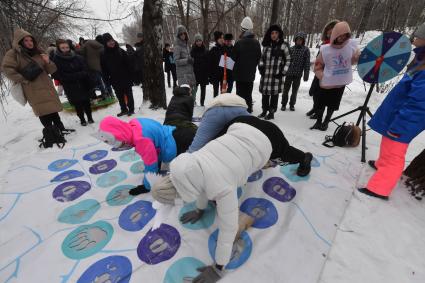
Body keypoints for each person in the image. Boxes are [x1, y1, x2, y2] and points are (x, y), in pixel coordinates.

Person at [150, 116, 312, 281]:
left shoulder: (223, 188)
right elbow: (197, 182)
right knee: (221, 149)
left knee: (286, 154)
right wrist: (200, 208)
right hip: (242, 122)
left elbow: (228, 229)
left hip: (269, 137)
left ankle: (305, 158)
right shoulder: (191, 160)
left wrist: (218, 267)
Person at [358, 24, 425, 200]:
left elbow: (420, 104)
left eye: (418, 35)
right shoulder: (421, 59)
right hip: (399, 114)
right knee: (387, 143)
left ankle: (380, 188)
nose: (414, 38)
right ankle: (381, 163)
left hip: (406, 120)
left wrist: (402, 124)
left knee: (395, 152)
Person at [96, 115, 196, 195]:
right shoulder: (135, 123)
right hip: (178, 130)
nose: (122, 146)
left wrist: (146, 186)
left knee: (190, 168)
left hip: (180, 141)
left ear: (120, 135)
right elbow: (155, 144)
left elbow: (151, 165)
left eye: (120, 143)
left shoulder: (141, 141)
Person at [2, 29, 66, 132]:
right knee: (43, 111)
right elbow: (7, 69)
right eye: (26, 40)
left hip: (46, 86)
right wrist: (23, 79)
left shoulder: (39, 52)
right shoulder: (13, 54)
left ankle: (61, 129)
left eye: (31, 40)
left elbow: (52, 70)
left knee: (53, 109)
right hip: (32, 88)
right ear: (19, 42)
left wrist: (48, 61)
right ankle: (51, 133)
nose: (29, 43)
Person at [311, 21, 359, 131]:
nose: (342, 38)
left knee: (332, 105)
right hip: (326, 84)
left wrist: (356, 57)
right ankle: (318, 121)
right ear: (335, 34)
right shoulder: (325, 49)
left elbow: (351, 61)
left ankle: (326, 122)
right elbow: (317, 66)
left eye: (344, 35)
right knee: (320, 104)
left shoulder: (350, 47)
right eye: (339, 35)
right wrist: (322, 76)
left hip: (339, 84)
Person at [52, 39, 94, 126]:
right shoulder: (56, 60)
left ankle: (90, 117)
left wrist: (76, 75)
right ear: (59, 48)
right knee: (77, 104)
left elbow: (85, 69)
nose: (65, 49)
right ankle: (82, 119)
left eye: (67, 47)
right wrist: (77, 75)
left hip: (83, 83)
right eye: (63, 48)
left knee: (86, 102)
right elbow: (60, 75)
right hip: (70, 86)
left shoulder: (77, 57)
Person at [307, 20, 339, 119]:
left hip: (332, 75)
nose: (329, 33)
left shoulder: (339, 45)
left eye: (332, 31)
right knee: (316, 93)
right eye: (328, 31)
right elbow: (319, 57)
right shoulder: (324, 43)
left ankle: (323, 117)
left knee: (328, 97)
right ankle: (316, 109)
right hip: (319, 72)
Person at [258, 24, 291, 120]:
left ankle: (271, 113)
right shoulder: (266, 46)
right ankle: (264, 111)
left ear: (279, 34)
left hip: (276, 76)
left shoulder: (284, 46)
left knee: (274, 95)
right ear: (269, 34)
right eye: (272, 33)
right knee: (264, 95)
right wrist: (261, 68)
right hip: (265, 76)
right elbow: (261, 59)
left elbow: (289, 60)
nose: (274, 35)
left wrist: (283, 72)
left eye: (276, 33)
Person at [101, 33, 135, 117]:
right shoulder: (103, 54)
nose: (111, 42)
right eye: (109, 41)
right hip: (114, 79)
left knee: (129, 94)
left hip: (125, 77)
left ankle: (131, 110)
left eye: (112, 40)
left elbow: (129, 64)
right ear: (105, 43)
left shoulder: (120, 50)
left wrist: (131, 76)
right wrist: (107, 81)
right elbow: (104, 70)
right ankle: (123, 109)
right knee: (119, 96)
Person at [233, 17, 262, 113]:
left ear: (242, 29)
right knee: (248, 93)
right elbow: (259, 58)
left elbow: (233, 59)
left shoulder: (238, 43)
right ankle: (249, 109)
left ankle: (240, 109)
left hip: (239, 75)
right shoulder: (257, 43)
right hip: (250, 74)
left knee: (240, 93)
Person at [282, 32, 310, 111]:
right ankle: (283, 104)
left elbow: (307, 63)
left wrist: (306, 73)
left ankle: (292, 105)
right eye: (297, 39)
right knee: (285, 90)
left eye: (300, 40)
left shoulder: (306, 50)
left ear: (303, 41)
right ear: (295, 40)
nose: (299, 41)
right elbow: (286, 61)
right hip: (289, 73)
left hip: (298, 74)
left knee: (294, 91)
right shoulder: (291, 49)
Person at [174, 25, 196, 99]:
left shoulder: (186, 45)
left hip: (189, 73)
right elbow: (176, 61)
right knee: (184, 95)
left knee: (191, 92)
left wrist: (191, 60)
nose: (183, 35)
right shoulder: (177, 46)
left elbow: (187, 57)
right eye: (181, 34)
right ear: (178, 35)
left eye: (184, 33)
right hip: (183, 75)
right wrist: (187, 60)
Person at [191, 34, 209, 106]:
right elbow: (190, 62)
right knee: (194, 89)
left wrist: (208, 73)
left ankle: (202, 103)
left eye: (200, 40)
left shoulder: (206, 50)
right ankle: (193, 101)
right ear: (195, 42)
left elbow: (208, 63)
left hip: (204, 74)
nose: (198, 42)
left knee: (203, 89)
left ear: (202, 41)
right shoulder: (192, 51)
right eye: (197, 41)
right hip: (195, 73)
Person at [208, 31, 225, 97]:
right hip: (215, 75)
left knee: (223, 92)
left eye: (222, 38)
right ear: (217, 39)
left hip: (224, 74)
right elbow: (209, 64)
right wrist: (210, 76)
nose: (222, 39)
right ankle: (215, 104)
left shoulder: (225, 49)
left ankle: (222, 104)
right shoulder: (213, 50)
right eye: (220, 38)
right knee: (215, 91)